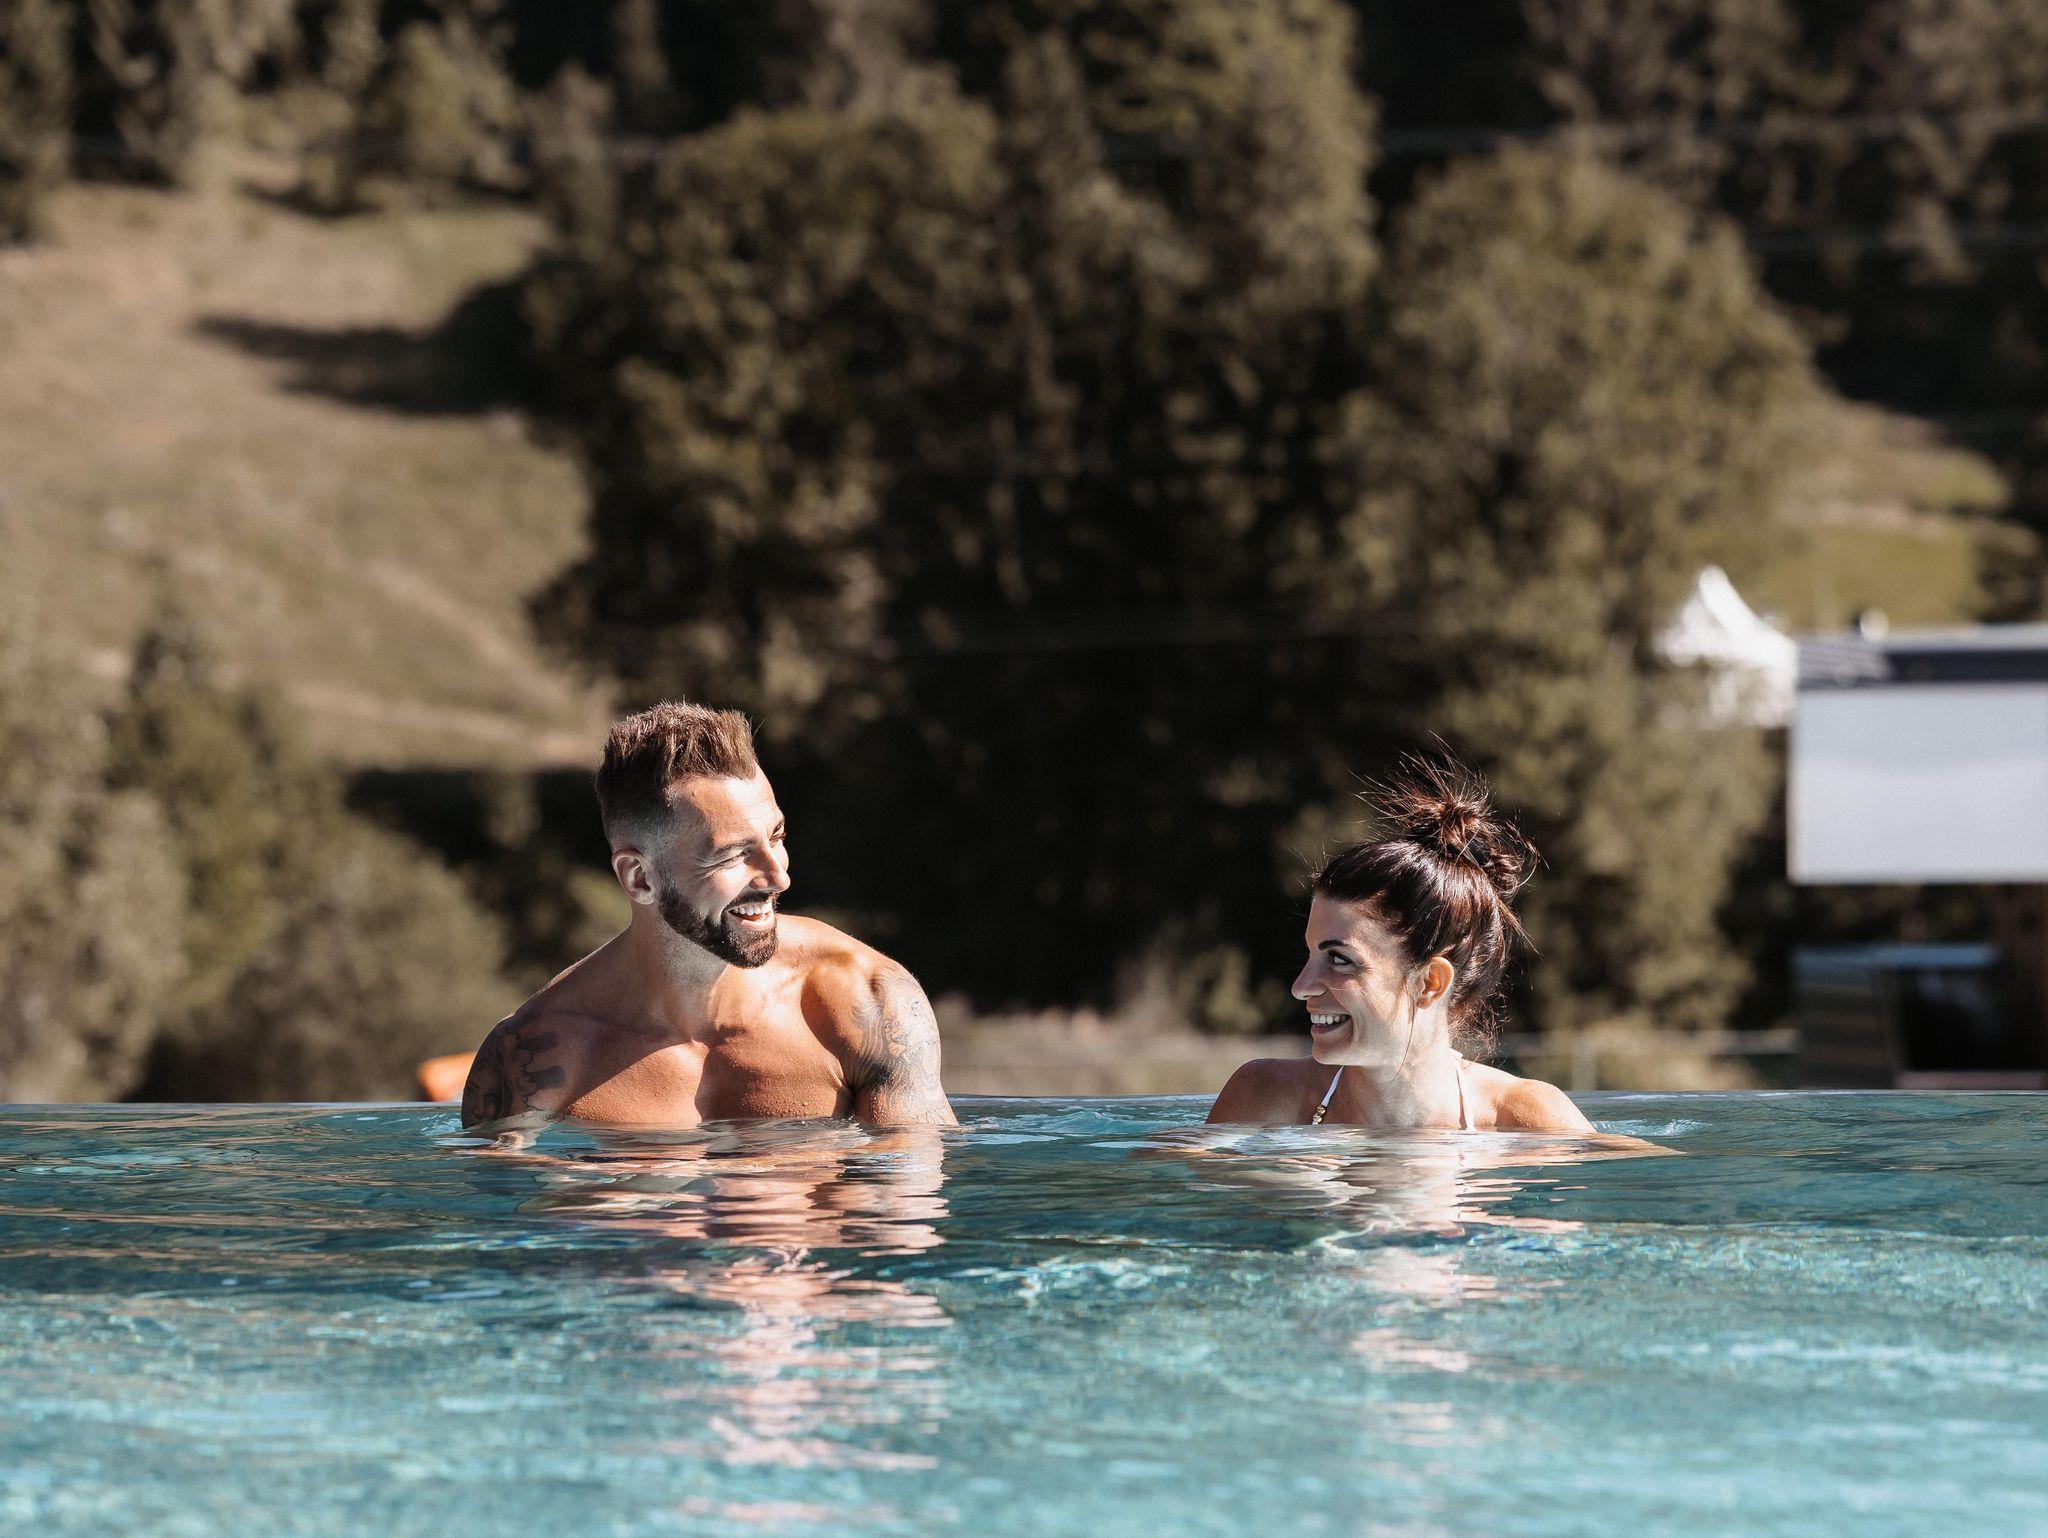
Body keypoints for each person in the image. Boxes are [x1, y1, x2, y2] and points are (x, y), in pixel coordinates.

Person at [461, 701, 956, 1132]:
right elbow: (497, 1211)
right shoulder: (535, 1058)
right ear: (639, 878)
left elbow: (903, 1207)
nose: (778, 876)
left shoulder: (865, 1002)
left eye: (777, 837)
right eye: (733, 855)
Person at [1207, 755, 1593, 1133]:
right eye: (1310, 954)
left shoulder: (1526, 1120)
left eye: (1339, 959)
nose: (1301, 987)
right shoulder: (1266, 1099)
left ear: (1429, 983)